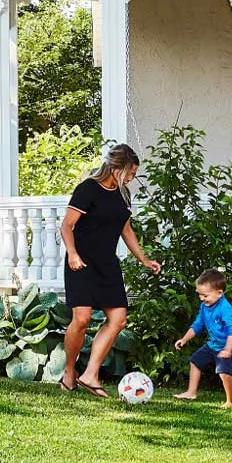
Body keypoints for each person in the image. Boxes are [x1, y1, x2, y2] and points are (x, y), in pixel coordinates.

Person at [59, 142, 160, 398]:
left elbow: (126, 230)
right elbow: (67, 226)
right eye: (131, 173)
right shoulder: (88, 189)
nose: (132, 178)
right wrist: (72, 254)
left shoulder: (123, 195)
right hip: (81, 261)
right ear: (118, 167)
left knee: (118, 319)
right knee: (81, 320)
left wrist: (144, 259)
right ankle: (69, 372)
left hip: (107, 264)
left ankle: (90, 374)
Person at [173, 267, 232, 408]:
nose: (202, 299)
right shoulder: (205, 307)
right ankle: (191, 392)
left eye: (205, 295)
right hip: (214, 343)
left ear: (219, 293)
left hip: (229, 344)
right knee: (195, 361)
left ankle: (230, 401)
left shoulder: (226, 310)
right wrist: (184, 339)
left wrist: (228, 349)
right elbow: (197, 325)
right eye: (200, 295)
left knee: (223, 372)